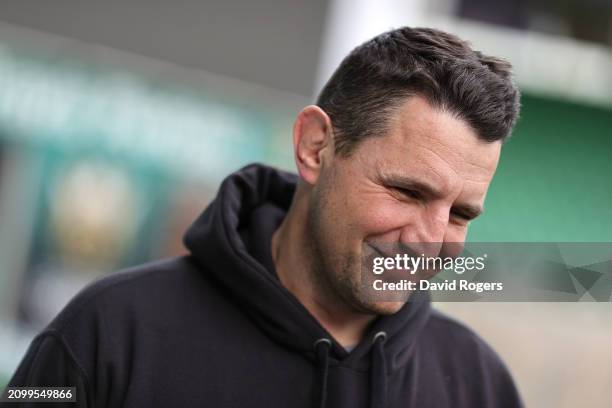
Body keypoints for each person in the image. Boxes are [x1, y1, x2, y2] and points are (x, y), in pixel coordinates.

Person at [2, 27, 522, 408]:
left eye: (459, 213)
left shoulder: (478, 385)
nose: (429, 240)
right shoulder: (107, 332)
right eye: (407, 191)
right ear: (315, 147)